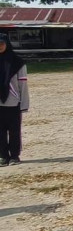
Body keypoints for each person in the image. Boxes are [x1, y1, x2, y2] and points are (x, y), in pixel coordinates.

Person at [0, 34, 29, 166]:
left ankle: (14, 156)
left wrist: (24, 103)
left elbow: (23, 85)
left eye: (2, 43)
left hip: (13, 102)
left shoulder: (18, 62)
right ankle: (3, 156)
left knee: (14, 131)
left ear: (7, 44)